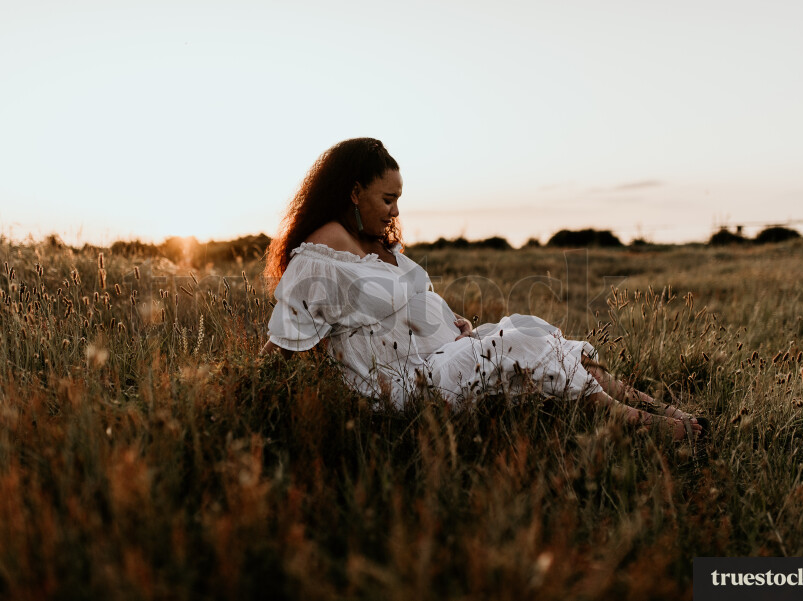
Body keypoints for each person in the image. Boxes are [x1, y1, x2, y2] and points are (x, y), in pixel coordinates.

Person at [261, 138, 704, 442]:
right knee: (517, 342)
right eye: (387, 198)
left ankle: (662, 410)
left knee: (540, 336)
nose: (395, 210)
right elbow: (286, 339)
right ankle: (643, 425)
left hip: (434, 358)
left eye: (399, 198)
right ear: (355, 192)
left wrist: (449, 321)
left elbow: (406, 305)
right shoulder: (320, 255)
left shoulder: (374, 242)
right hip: (398, 389)